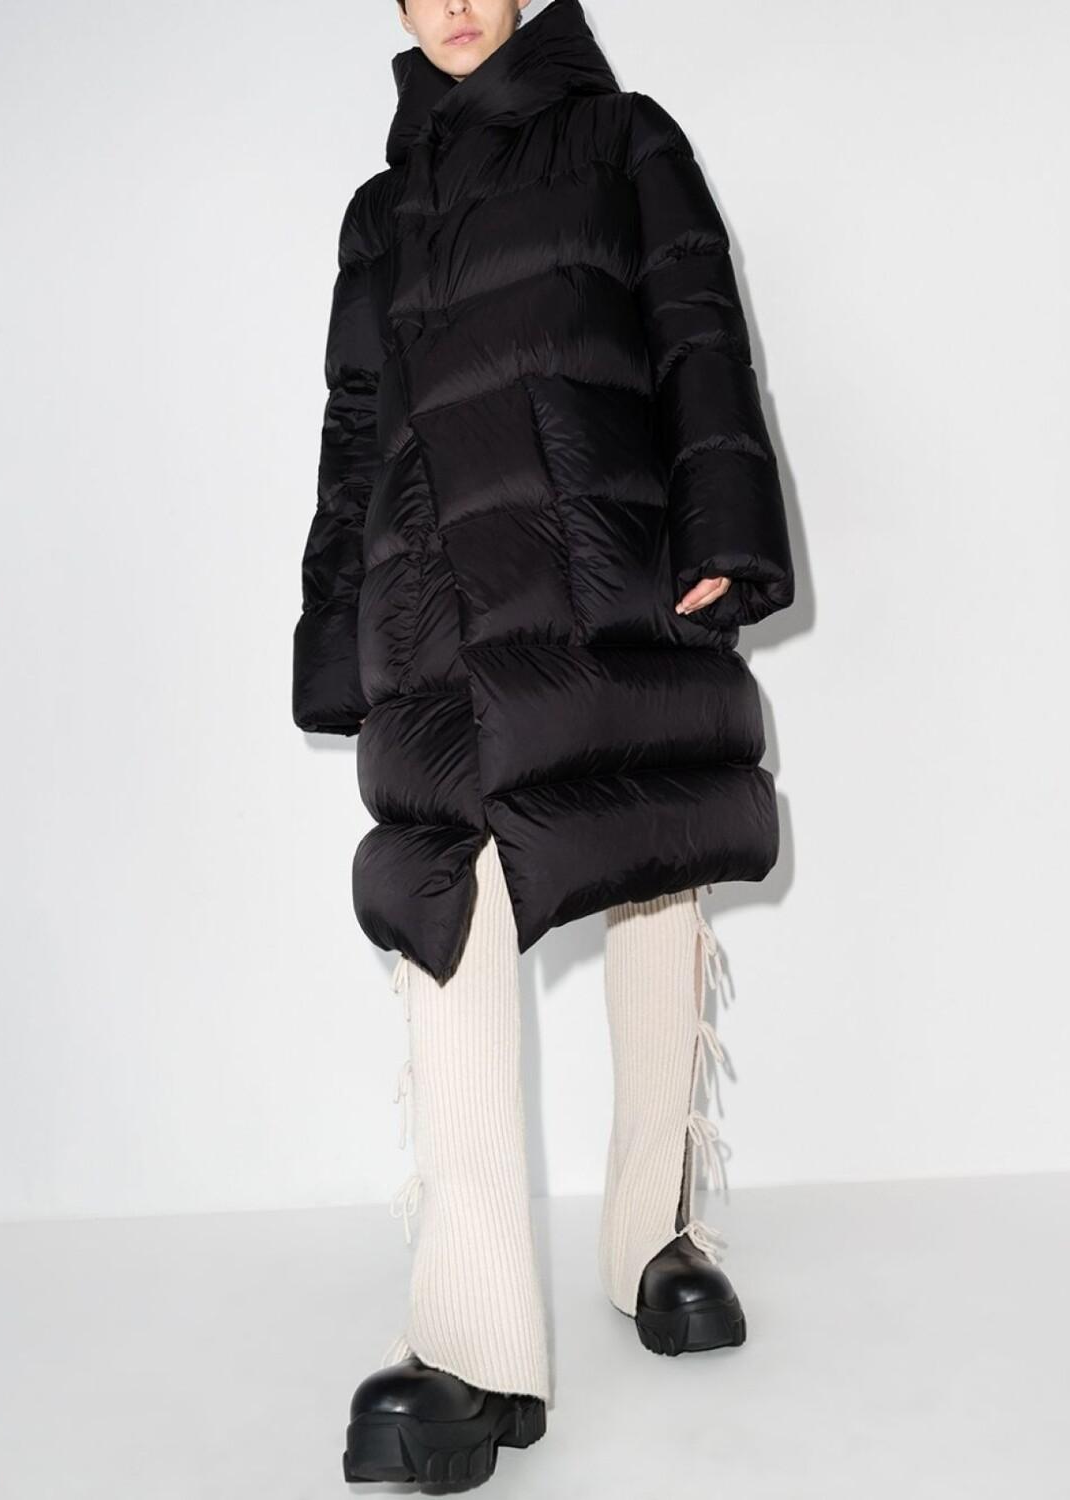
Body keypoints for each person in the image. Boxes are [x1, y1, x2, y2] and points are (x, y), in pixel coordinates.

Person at [291, 0, 794, 1485]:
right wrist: (336, 629)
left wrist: (726, 535)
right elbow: (355, 426)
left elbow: (697, 333)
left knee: (655, 869)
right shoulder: (379, 211)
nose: (453, 5)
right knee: (447, 901)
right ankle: (471, 1340)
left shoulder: (624, 140)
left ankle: (656, 1237)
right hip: (440, 615)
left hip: (614, 574)